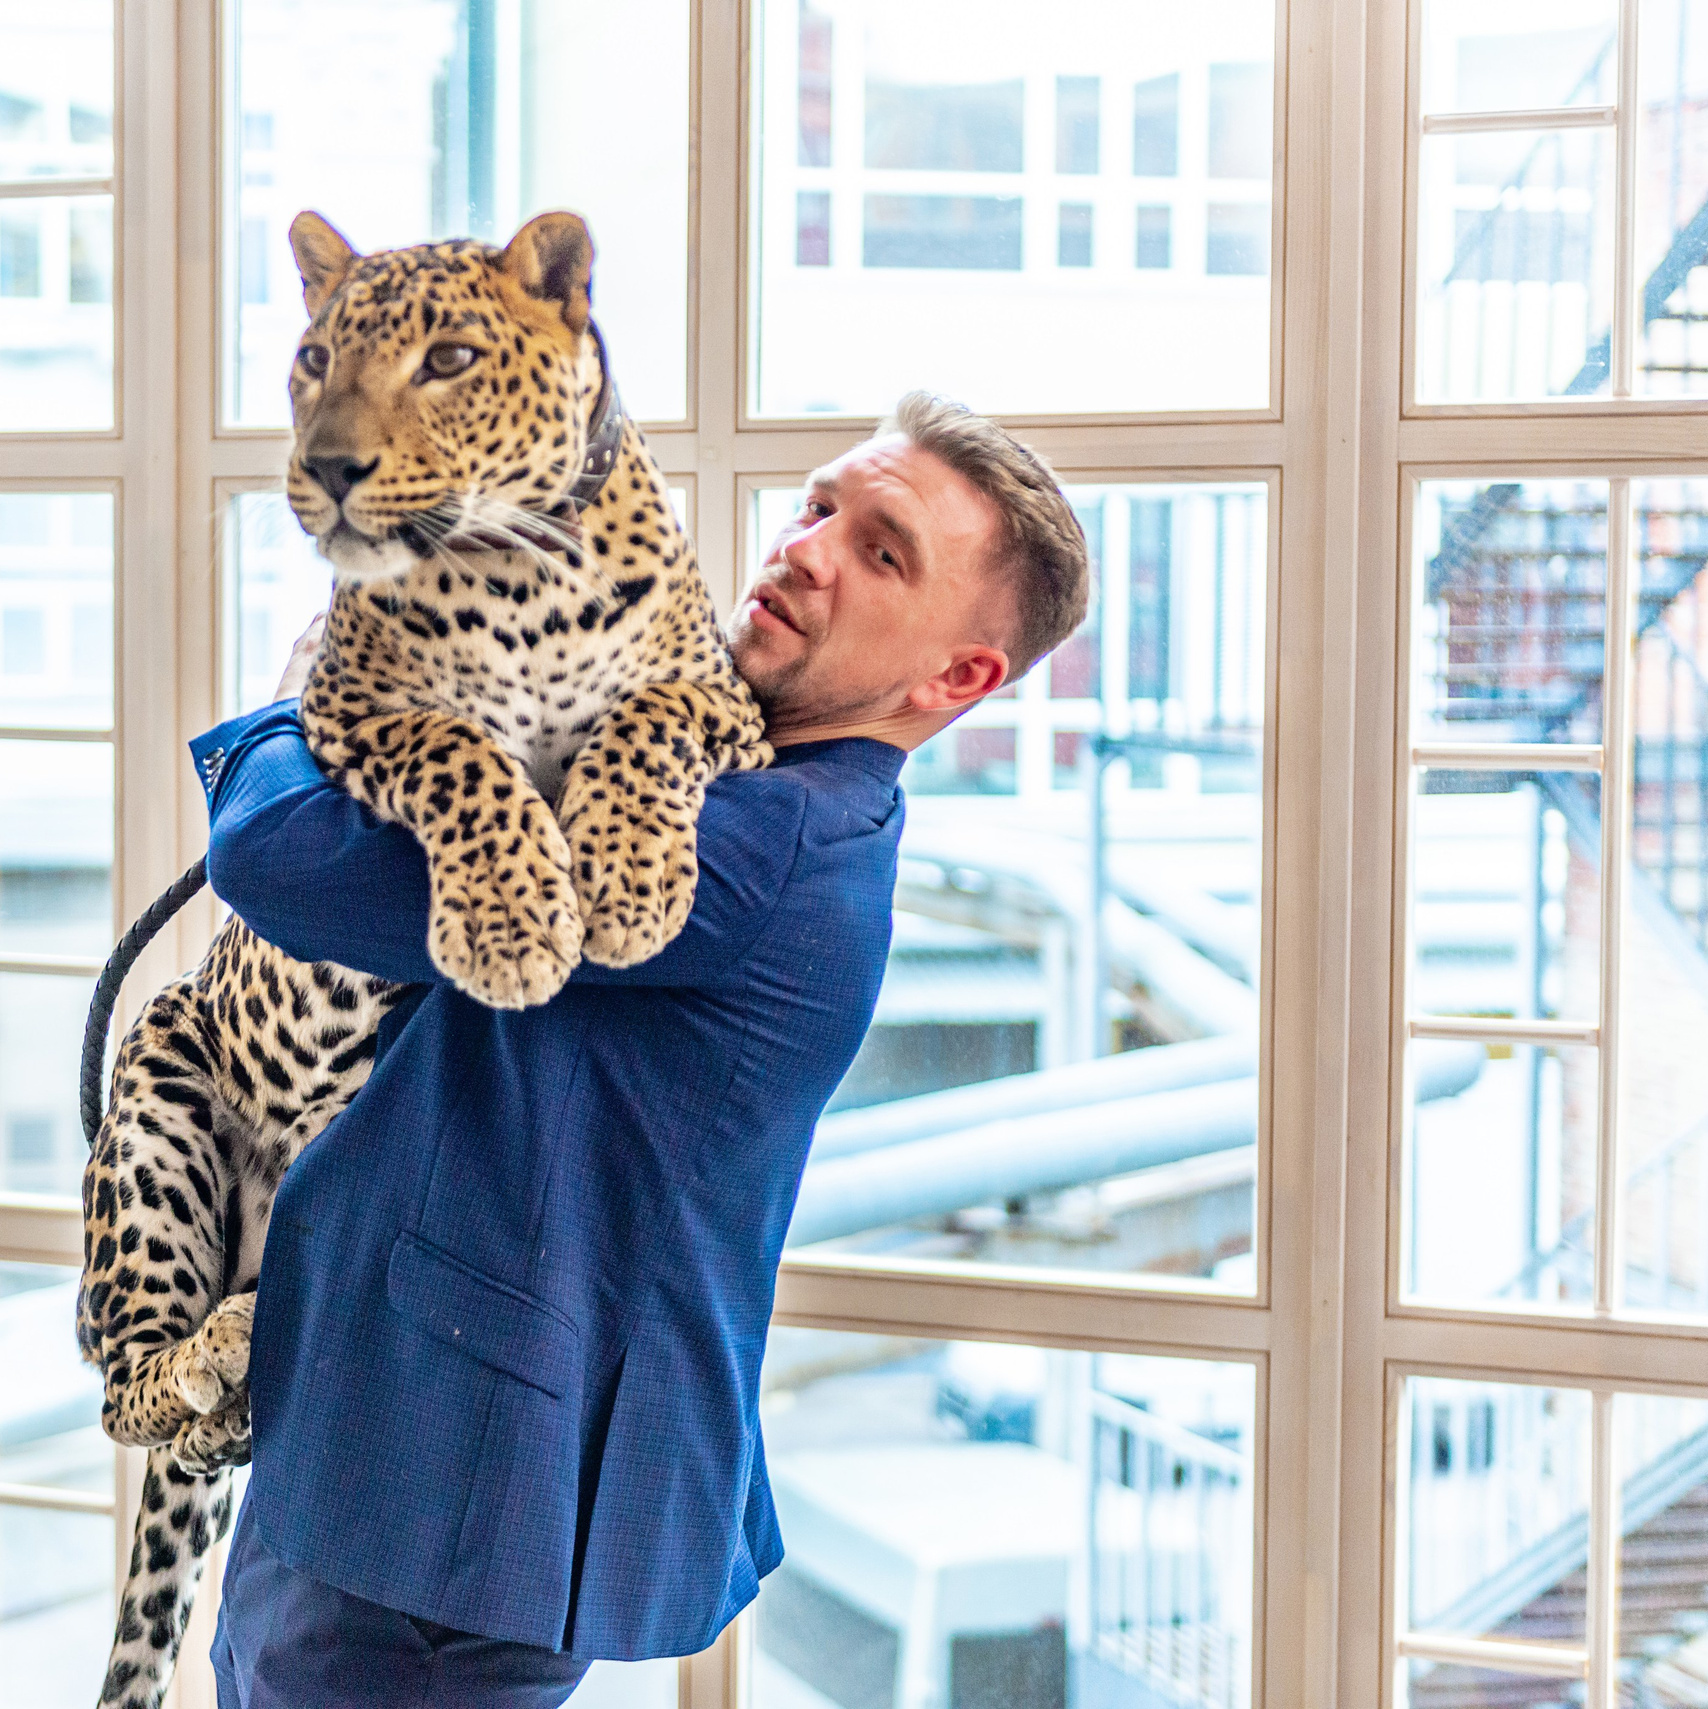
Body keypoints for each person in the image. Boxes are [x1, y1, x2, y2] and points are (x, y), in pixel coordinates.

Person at [192, 392, 1090, 1707]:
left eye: (881, 548)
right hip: (398, 1474)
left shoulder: (747, 853)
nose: (807, 546)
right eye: (819, 504)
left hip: (437, 1514)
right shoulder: (722, 795)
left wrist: (293, 706)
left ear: (956, 678)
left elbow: (288, 862)